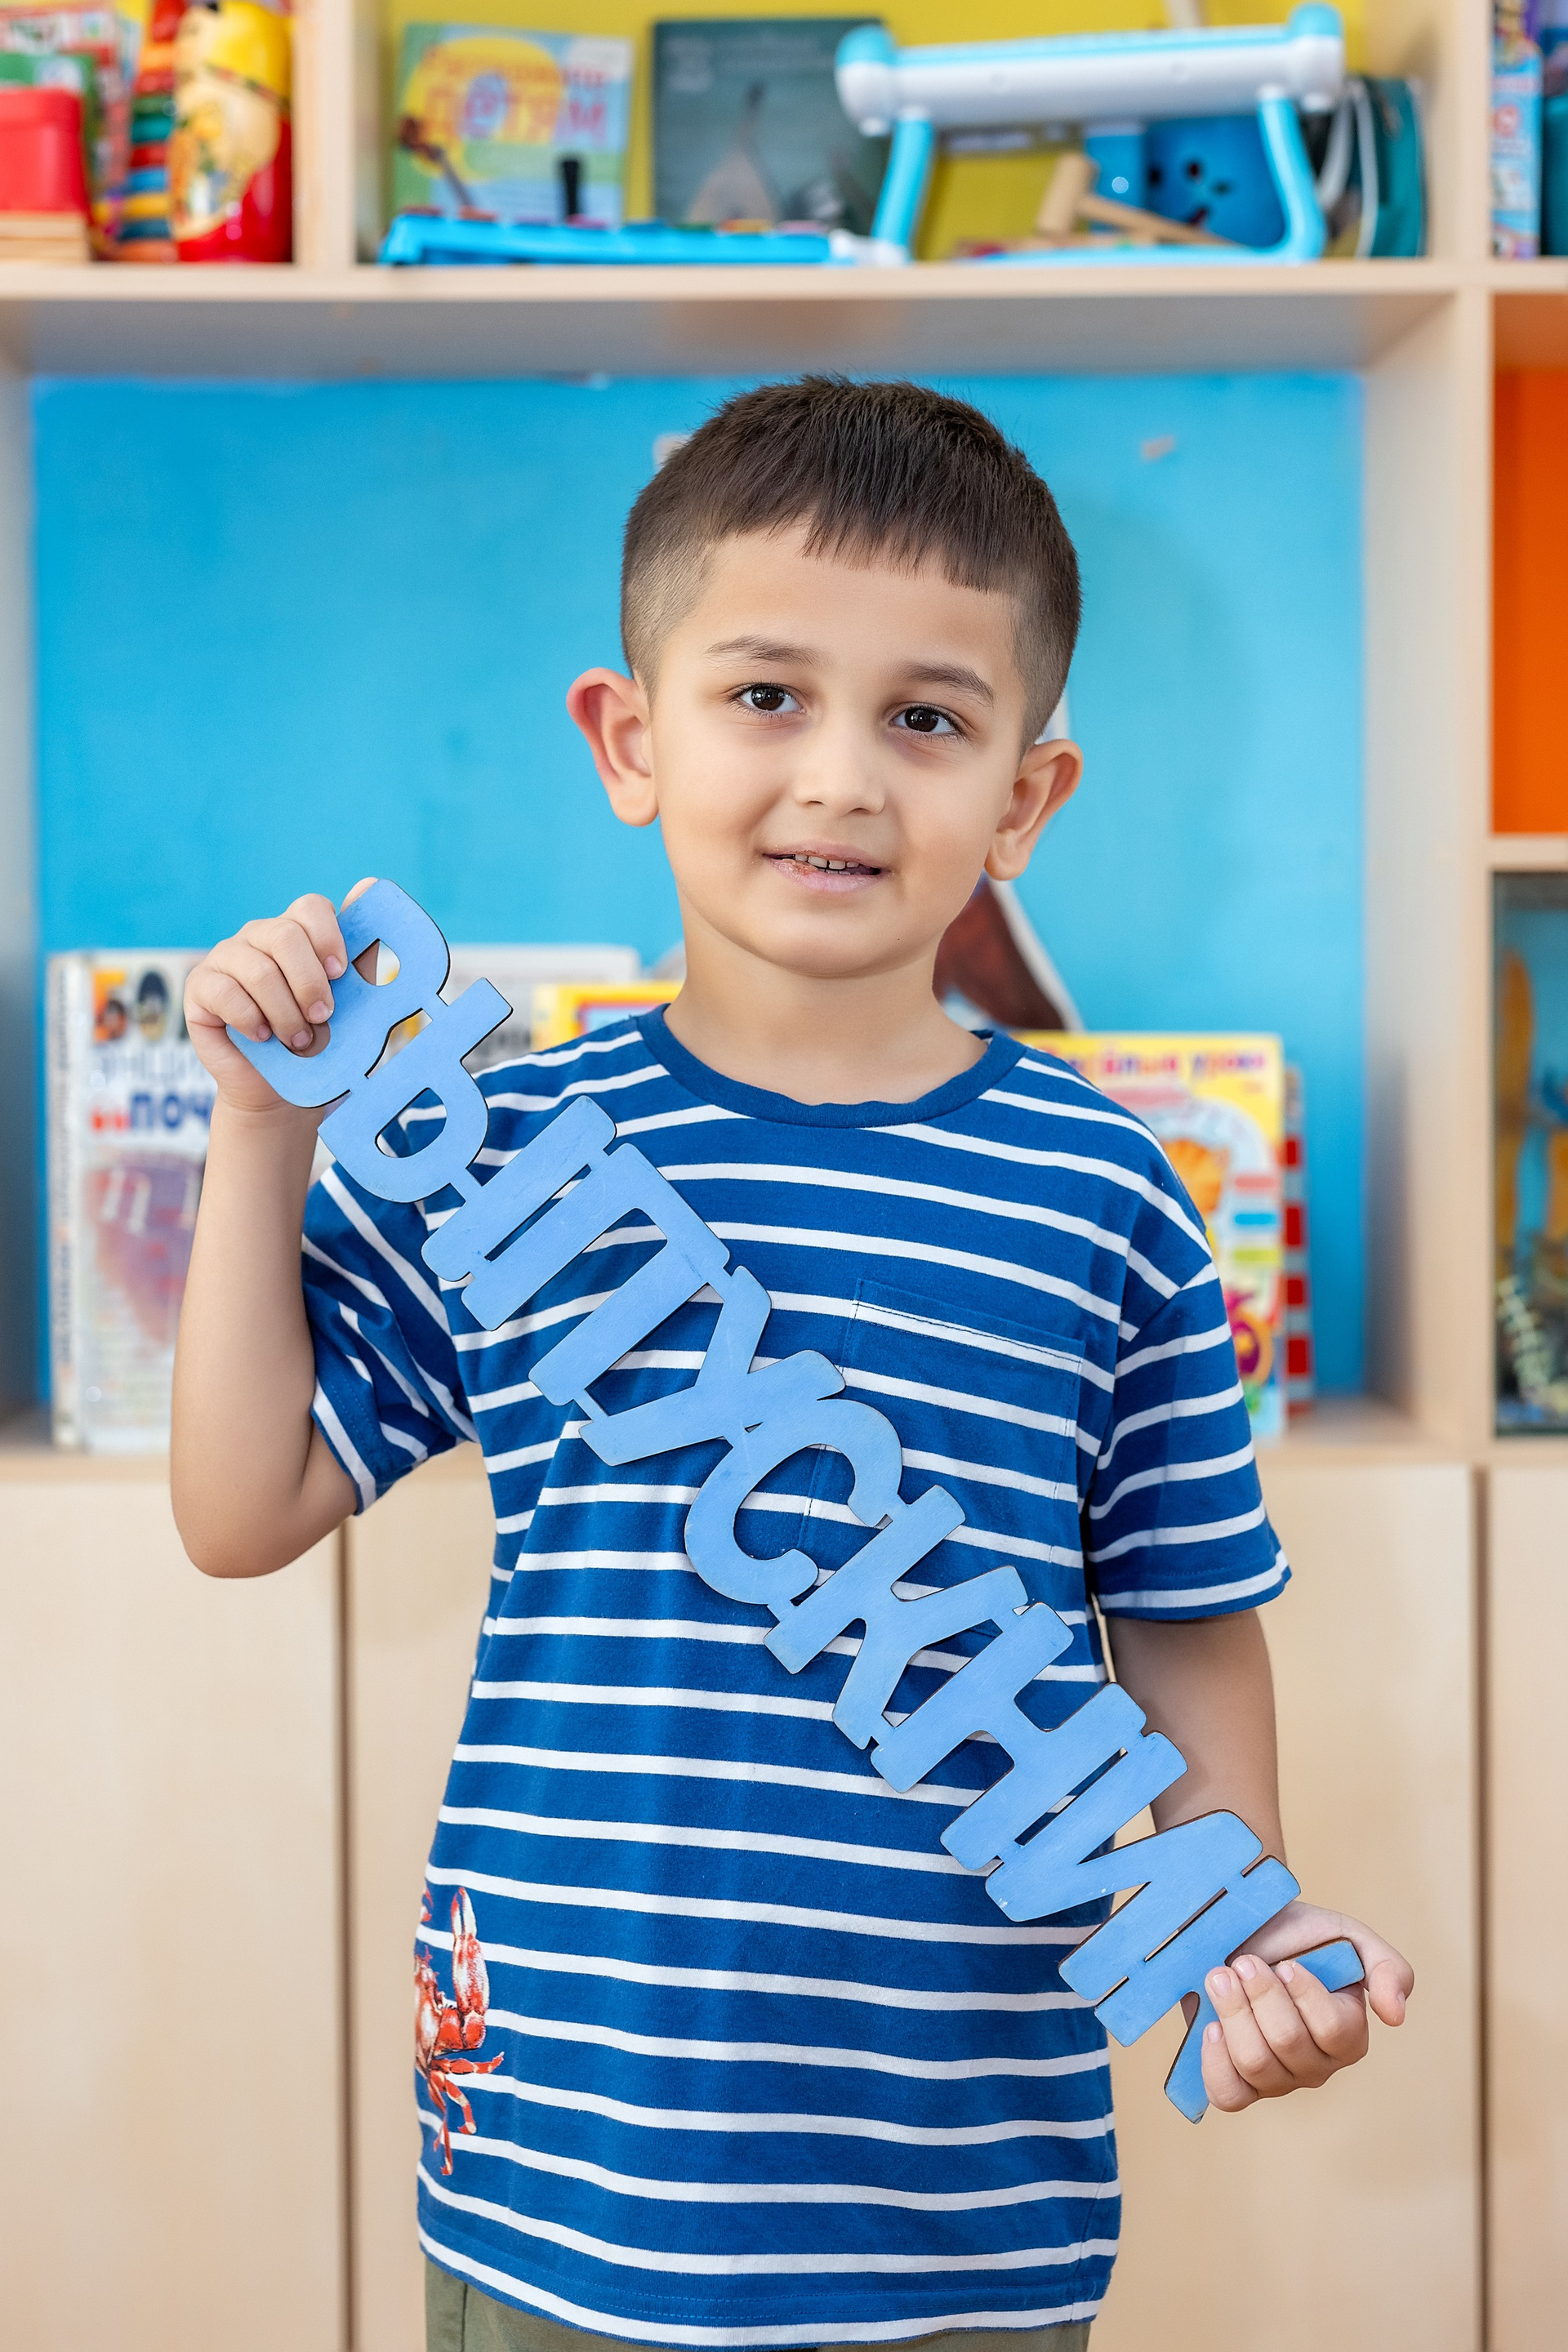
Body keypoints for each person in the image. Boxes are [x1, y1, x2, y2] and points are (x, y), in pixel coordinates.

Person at [173, 378, 1413, 2352]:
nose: (840, 777)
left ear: (1023, 799)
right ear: (630, 738)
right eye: (767, 695)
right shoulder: (513, 1157)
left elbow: (1184, 1622)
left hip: (968, 2193)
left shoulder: (1110, 1194)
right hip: (567, 2175)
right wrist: (258, 1134)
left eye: (926, 719)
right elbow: (242, 1508)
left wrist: (1235, 1932)